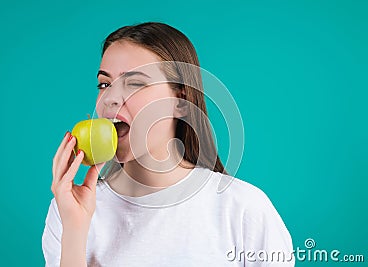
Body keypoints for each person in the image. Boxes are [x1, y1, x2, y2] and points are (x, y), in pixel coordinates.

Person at [42, 22, 295, 266]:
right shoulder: (70, 210)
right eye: (105, 84)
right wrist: (74, 230)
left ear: (180, 100)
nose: (110, 98)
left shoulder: (243, 209)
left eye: (135, 83)